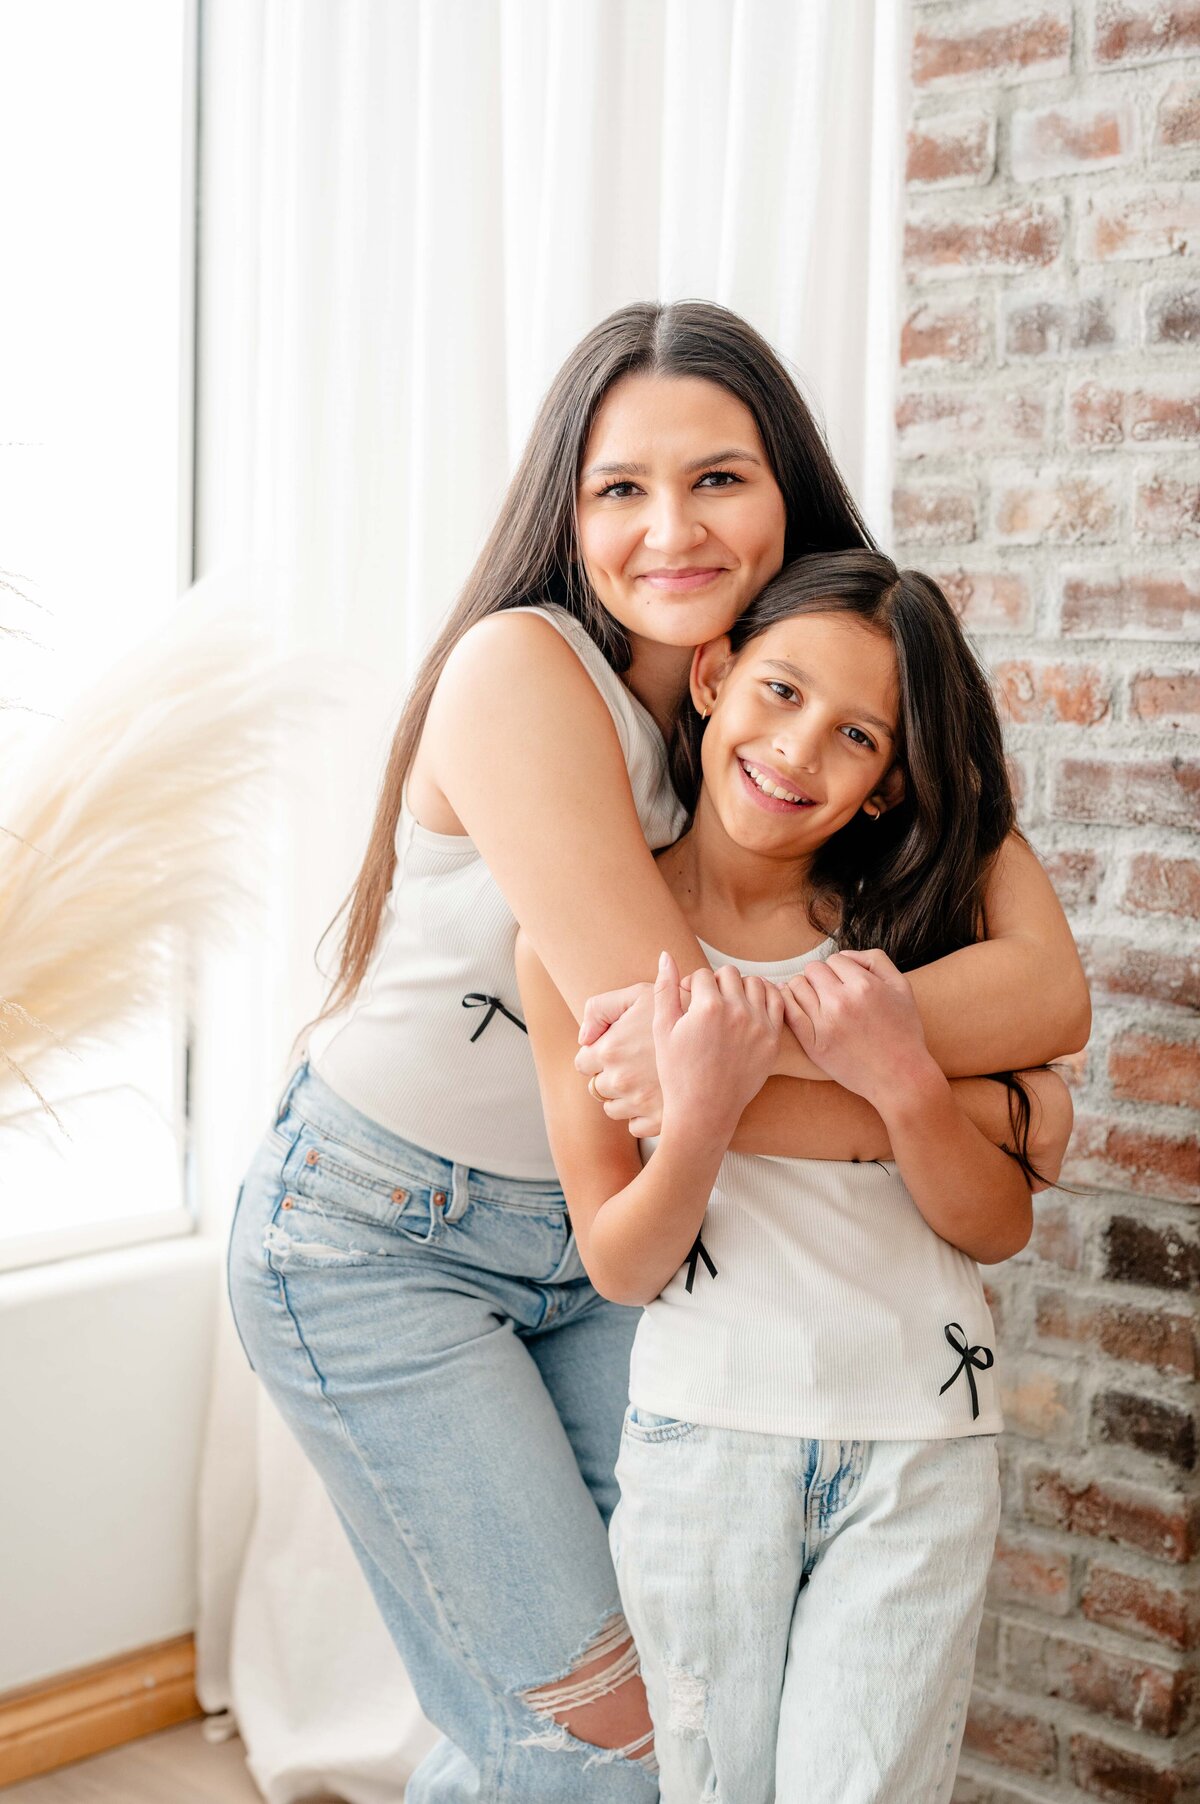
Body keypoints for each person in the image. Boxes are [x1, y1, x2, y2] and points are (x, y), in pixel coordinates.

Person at [227, 302, 1090, 1803]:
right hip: (384, 1244)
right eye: (620, 487)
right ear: (568, 510)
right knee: (591, 1728)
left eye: (719, 480)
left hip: (609, 1240)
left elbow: (1047, 992)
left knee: (664, 1717)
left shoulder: (823, 677)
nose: (669, 528)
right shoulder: (520, 673)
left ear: (787, 493)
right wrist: (983, 1114)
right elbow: (680, 1050)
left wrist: (929, 1073)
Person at [517, 548, 1077, 1804]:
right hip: (707, 1441)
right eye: (779, 691)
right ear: (711, 674)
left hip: (921, 1450)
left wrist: (910, 1086)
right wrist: (703, 1118)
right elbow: (619, 1256)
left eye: (857, 735)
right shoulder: (584, 941)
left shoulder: (914, 946)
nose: (798, 750)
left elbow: (995, 1225)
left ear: (886, 785)